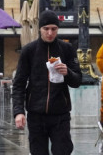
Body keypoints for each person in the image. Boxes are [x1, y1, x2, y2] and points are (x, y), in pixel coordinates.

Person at [12, 10, 82, 155]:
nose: (50, 33)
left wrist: (67, 72)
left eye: (54, 29)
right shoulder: (29, 51)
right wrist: (18, 112)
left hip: (60, 114)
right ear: (40, 29)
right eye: (46, 29)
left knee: (62, 151)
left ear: (57, 29)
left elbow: (77, 81)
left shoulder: (67, 49)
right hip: (36, 114)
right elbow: (19, 83)